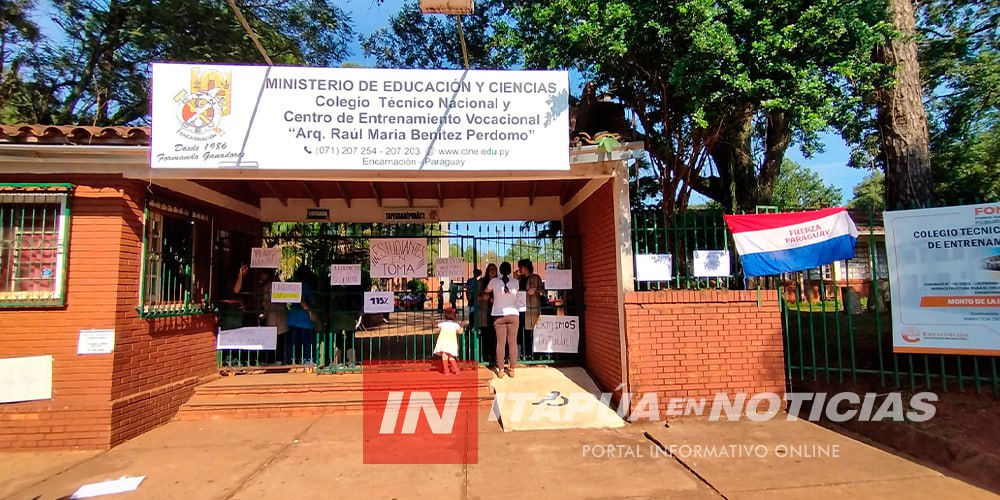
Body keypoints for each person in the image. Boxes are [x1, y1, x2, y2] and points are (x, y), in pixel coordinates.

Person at [487, 262, 520, 378]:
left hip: (498, 314)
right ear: (510, 270)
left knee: (500, 343)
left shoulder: (494, 282)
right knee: (512, 342)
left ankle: (500, 370)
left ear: (499, 270)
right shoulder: (515, 282)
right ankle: (512, 369)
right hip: (513, 314)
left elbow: (487, 290)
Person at [286, 265, 318, 366]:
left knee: (292, 342)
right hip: (305, 319)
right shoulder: (306, 286)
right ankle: (308, 359)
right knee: (308, 343)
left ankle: (290, 359)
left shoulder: (293, 285)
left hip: (293, 318)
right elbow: (312, 301)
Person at [518, 259, 544, 358]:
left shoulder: (536, 278)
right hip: (521, 308)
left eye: (521, 267)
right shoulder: (519, 279)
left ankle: (535, 354)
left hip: (532, 308)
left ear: (526, 267)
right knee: (522, 332)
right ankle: (524, 353)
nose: (519, 269)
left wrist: (536, 290)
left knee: (533, 331)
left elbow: (543, 291)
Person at [477, 264, 497, 366]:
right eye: (491, 269)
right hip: (485, 312)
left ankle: (494, 356)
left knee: (496, 336)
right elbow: (475, 297)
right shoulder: (481, 282)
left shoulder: (500, 282)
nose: (492, 271)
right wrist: (482, 297)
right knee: (485, 335)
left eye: (494, 269)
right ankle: (485, 355)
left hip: (497, 313)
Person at [433, 308, 463, 375]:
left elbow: (435, 325)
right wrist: (462, 325)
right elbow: (460, 332)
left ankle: (446, 370)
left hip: (443, 342)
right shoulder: (455, 325)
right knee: (451, 357)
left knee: (444, 356)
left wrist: (432, 318)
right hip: (452, 342)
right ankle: (456, 370)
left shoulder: (442, 323)